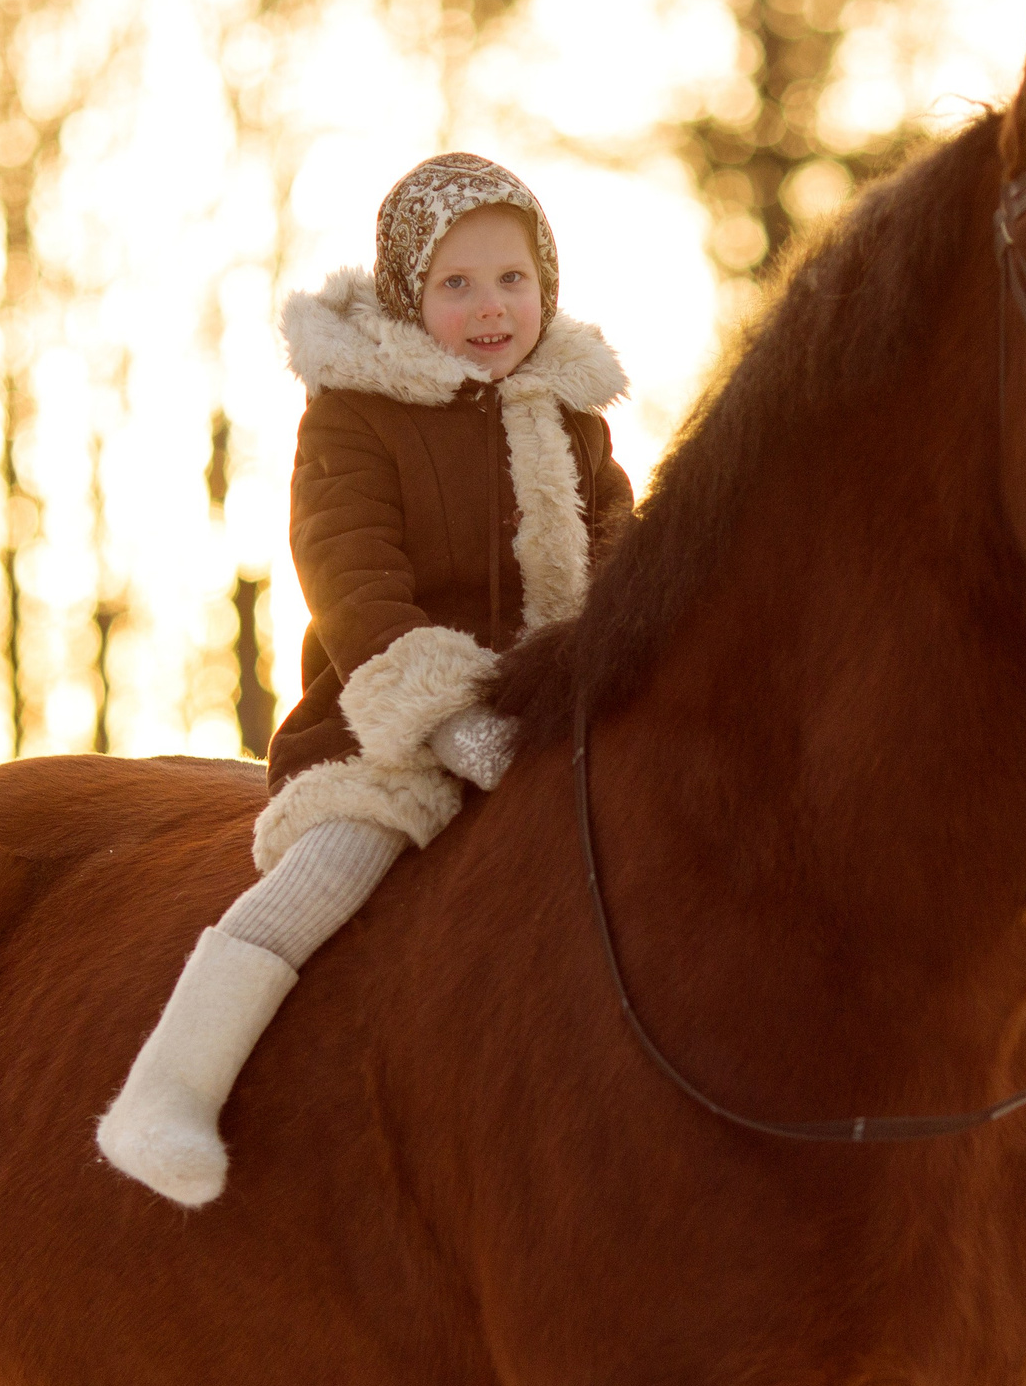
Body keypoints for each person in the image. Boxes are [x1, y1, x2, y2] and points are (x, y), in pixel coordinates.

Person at [96, 153, 633, 1206]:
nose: (491, 309)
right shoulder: (353, 418)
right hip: (384, 724)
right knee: (335, 867)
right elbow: (351, 580)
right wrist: (442, 719)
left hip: (558, 718)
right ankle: (169, 1086)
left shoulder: (570, 419)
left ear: (547, 286)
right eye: (457, 285)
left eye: (512, 280)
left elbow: (627, 564)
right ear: (407, 295)